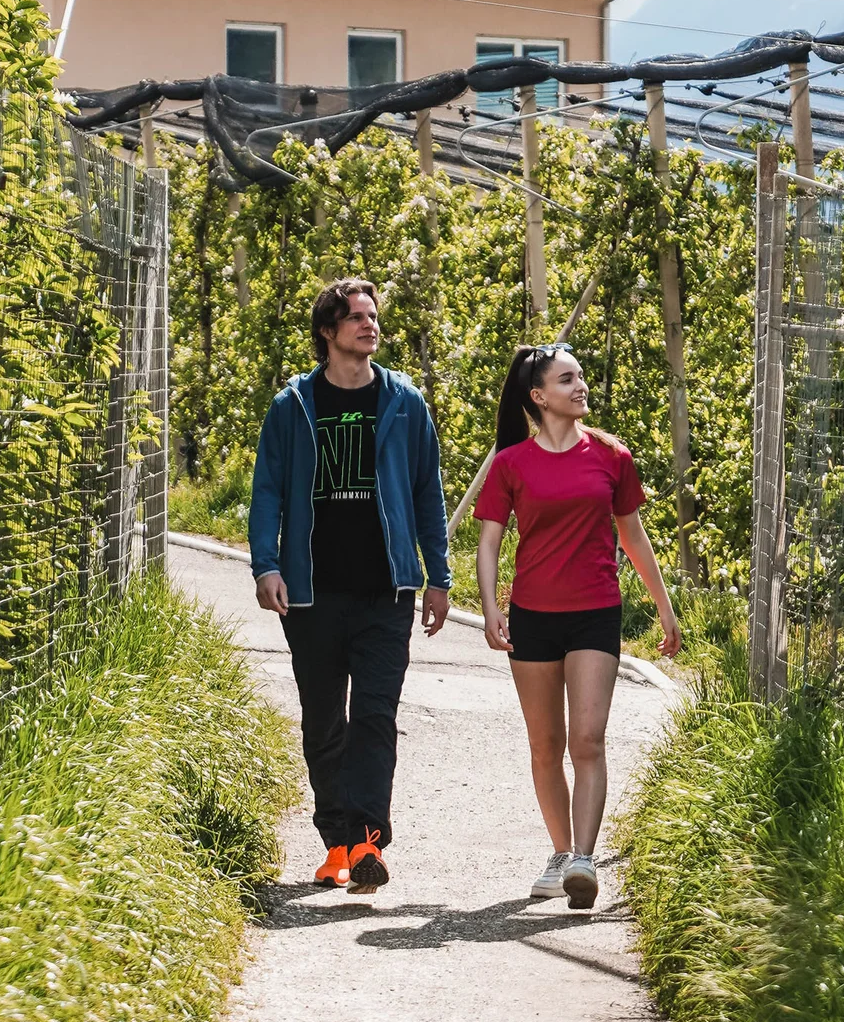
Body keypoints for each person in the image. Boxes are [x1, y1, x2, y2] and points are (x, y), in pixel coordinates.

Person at [249, 277, 451, 895]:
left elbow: (427, 494)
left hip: (386, 589)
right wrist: (266, 565)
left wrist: (437, 576)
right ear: (328, 332)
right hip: (311, 593)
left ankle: (366, 840)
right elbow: (268, 491)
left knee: (374, 715)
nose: (369, 326)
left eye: (372, 317)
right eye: (356, 318)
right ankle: (335, 841)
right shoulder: (294, 406)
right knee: (323, 722)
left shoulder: (404, 402)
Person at [472, 343, 680, 911]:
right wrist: (490, 607)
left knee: (586, 740)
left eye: (582, 377)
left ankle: (585, 859)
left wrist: (664, 607)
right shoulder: (511, 463)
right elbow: (488, 542)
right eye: (567, 380)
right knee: (545, 745)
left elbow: (634, 537)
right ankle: (561, 853)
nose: (581, 386)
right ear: (538, 397)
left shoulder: (612, 456)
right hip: (533, 617)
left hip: (595, 612)